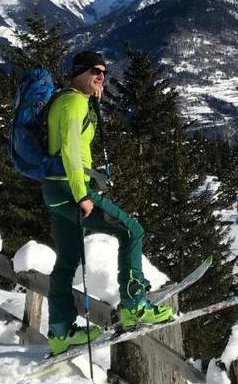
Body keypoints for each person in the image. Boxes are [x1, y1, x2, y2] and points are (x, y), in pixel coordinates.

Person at [43, 50, 173, 355]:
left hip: (54, 190)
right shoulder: (74, 103)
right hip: (71, 189)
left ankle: (60, 333)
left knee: (66, 261)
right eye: (96, 71)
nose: (101, 77)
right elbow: (71, 150)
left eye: (104, 72)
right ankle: (134, 305)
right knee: (131, 231)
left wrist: (92, 101)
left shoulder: (67, 100)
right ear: (79, 71)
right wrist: (82, 195)